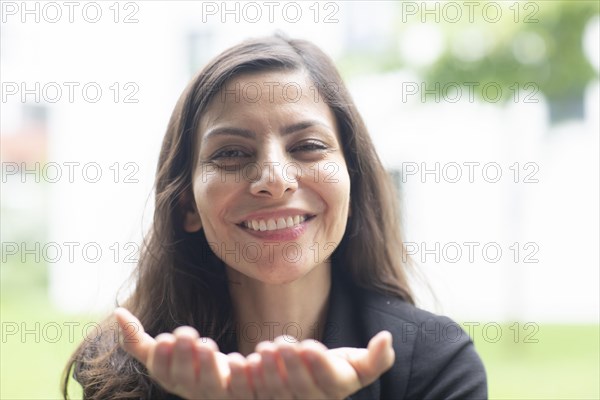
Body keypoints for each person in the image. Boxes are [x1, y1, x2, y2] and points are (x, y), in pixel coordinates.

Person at [63, 34, 487, 399]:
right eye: (231, 153)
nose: (274, 179)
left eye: (308, 146)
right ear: (187, 204)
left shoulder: (437, 362)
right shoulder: (120, 369)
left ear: (352, 184)